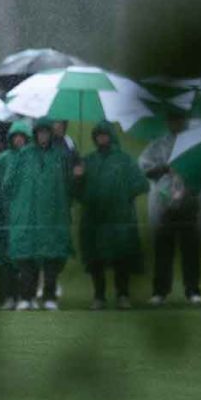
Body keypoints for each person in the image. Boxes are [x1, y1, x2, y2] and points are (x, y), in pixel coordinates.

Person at [75, 121, 149, 310]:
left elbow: (141, 183)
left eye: (104, 134)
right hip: (94, 219)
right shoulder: (88, 161)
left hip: (119, 218)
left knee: (121, 258)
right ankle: (99, 296)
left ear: (111, 136)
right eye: (98, 135)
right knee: (95, 259)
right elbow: (76, 192)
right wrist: (78, 177)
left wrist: (123, 195)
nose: (101, 138)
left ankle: (123, 295)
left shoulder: (124, 160)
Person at [3, 118, 74, 311]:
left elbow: (69, 187)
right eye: (40, 132)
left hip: (52, 217)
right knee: (27, 258)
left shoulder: (60, 156)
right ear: (35, 134)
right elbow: (8, 184)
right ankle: (27, 297)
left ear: (51, 135)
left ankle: (49, 297)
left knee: (51, 258)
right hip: (28, 216)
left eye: (46, 132)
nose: (43, 136)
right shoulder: (23, 156)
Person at [138, 111, 201, 306]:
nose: (176, 122)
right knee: (163, 249)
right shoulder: (158, 143)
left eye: (179, 119)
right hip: (164, 202)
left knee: (190, 249)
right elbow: (144, 166)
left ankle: (193, 290)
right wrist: (165, 168)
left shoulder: (195, 144)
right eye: (172, 119)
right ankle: (160, 291)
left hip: (188, 202)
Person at [0, 120, 31, 310]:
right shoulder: (4, 159)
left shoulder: (31, 158)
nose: (19, 140)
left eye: (22, 137)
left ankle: (23, 296)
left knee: (23, 261)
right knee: (5, 261)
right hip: (5, 219)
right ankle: (6, 297)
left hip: (25, 219)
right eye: (16, 137)